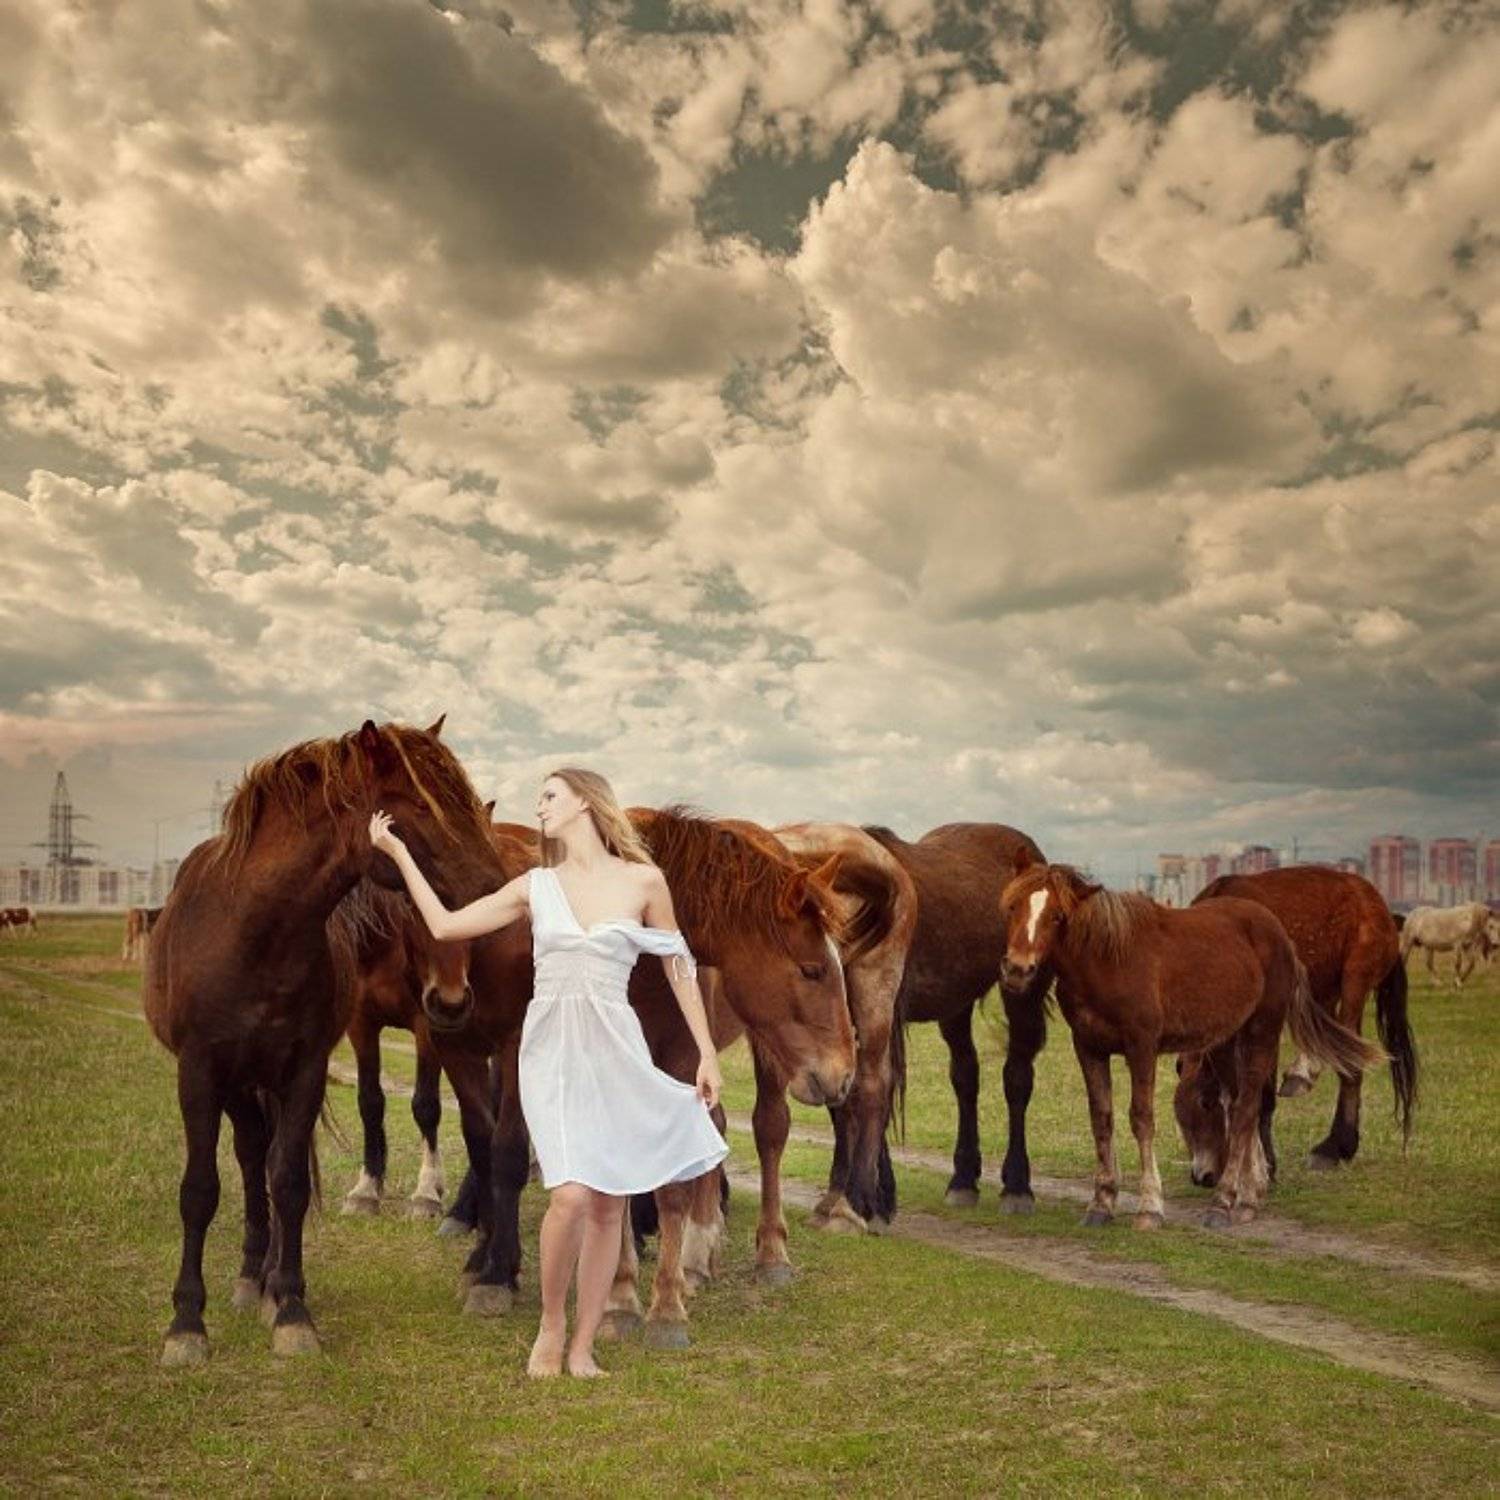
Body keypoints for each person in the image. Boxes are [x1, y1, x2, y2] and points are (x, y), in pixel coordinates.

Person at [367, 768, 727, 1379]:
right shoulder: (535, 886)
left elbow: (679, 966)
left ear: (586, 802)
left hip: (615, 1048)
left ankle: (583, 1346)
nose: (539, 807)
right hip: (552, 1051)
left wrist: (707, 1050)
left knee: (609, 1202)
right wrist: (398, 854)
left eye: (550, 796)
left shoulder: (644, 881)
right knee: (569, 1196)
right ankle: (551, 1325)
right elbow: (446, 925)